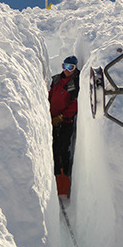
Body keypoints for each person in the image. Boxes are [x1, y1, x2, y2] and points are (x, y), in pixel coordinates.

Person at [48, 55, 79, 196]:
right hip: (52, 120)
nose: (67, 70)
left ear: (75, 68)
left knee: (64, 148)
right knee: (53, 148)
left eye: (70, 67)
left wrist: (61, 117)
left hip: (65, 122)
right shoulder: (55, 80)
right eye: (65, 66)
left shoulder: (74, 83)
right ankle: (55, 177)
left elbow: (74, 104)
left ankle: (64, 176)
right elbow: (49, 96)